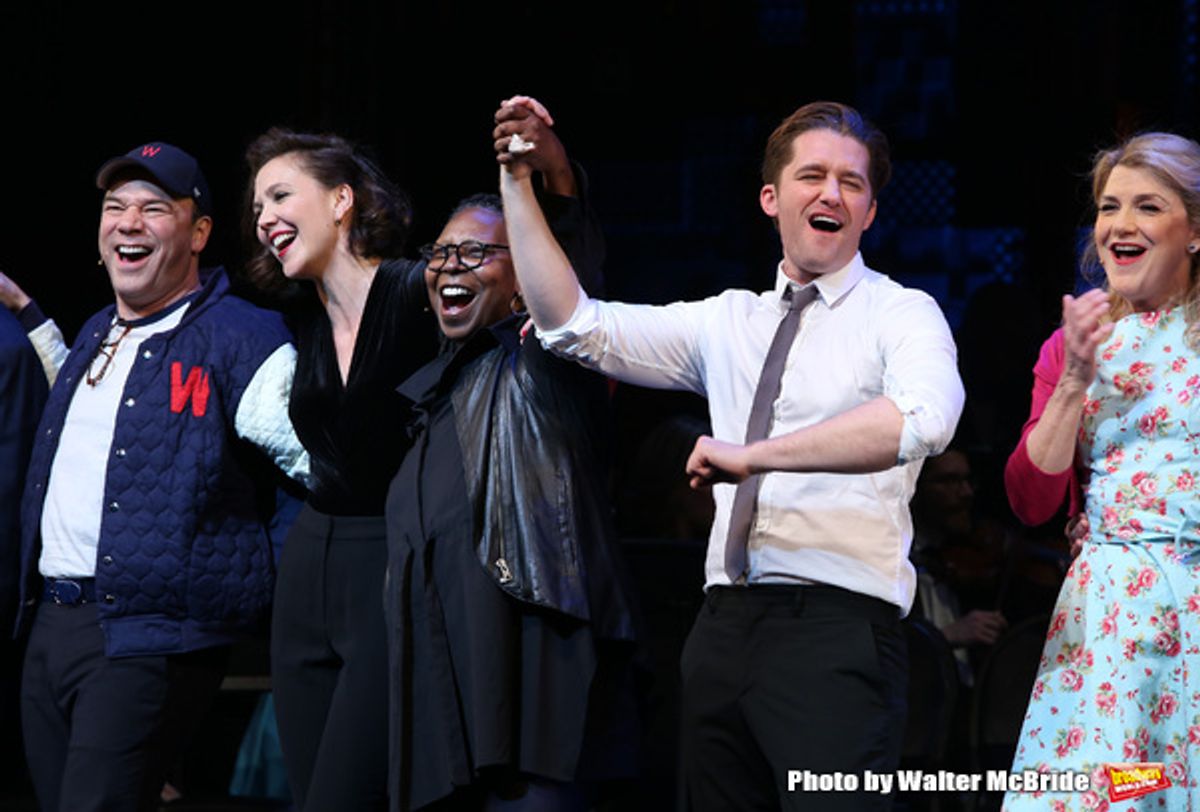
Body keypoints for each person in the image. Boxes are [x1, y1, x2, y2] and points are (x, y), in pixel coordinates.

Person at [499, 98, 964, 810]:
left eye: (853, 182)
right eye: (813, 175)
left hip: (837, 630)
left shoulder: (900, 314)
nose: (832, 193)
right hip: (723, 626)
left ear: (869, 212)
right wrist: (517, 183)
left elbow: (923, 419)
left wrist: (758, 457)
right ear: (771, 197)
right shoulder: (727, 320)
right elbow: (572, 325)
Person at [5, 141, 308, 812]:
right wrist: (27, 310)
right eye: (115, 208)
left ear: (199, 232)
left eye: (152, 208)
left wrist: (264, 597)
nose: (128, 223)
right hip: (53, 623)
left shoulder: (240, 336)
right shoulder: (95, 332)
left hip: (153, 632)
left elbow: (308, 472)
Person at [384, 101, 636, 811]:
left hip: (533, 679)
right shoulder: (439, 386)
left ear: (527, 274)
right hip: (453, 694)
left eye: (475, 252)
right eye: (440, 253)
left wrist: (542, 170)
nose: (449, 267)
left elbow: (571, 246)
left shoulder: (546, 359)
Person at [1003, 132, 1200, 809]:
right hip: (1108, 627)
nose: (1121, 224)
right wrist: (1075, 382)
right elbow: (1030, 501)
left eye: (1148, 207)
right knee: (1110, 794)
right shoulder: (1074, 346)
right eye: (1109, 207)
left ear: (1194, 230)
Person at [246, 128, 437, 811]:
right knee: (308, 792)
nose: (264, 217)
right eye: (258, 205)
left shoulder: (419, 294)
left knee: (348, 795)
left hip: (389, 567)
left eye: (280, 195)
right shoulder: (304, 322)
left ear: (341, 201)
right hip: (307, 572)